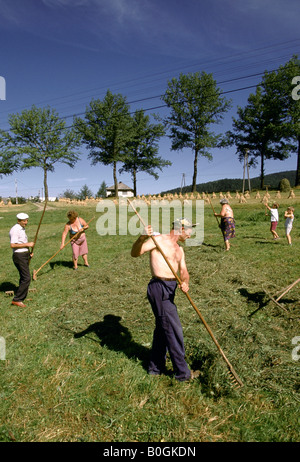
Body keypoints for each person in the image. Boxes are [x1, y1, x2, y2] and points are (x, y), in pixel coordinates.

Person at [131, 218, 199, 382]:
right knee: (173, 329)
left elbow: (184, 270)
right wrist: (141, 239)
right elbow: (135, 253)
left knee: (163, 328)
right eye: (189, 230)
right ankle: (183, 373)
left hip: (171, 289)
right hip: (159, 287)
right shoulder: (158, 239)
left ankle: (155, 367)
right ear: (181, 228)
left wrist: (185, 282)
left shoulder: (179, 250)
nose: (190, 235)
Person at [9, 213, 34, 307]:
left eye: (27, 220)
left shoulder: (21, 228)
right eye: (24, 221)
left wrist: (28, 252)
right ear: (18, 220)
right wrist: (28, 245)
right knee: (27, 278)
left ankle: (22, 296)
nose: (26, 222)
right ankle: (17, 299)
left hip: (23, 255)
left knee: (23, 277)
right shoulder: (15, 230)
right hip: (19, 256)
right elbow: (13, 245)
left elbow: (21, 242)